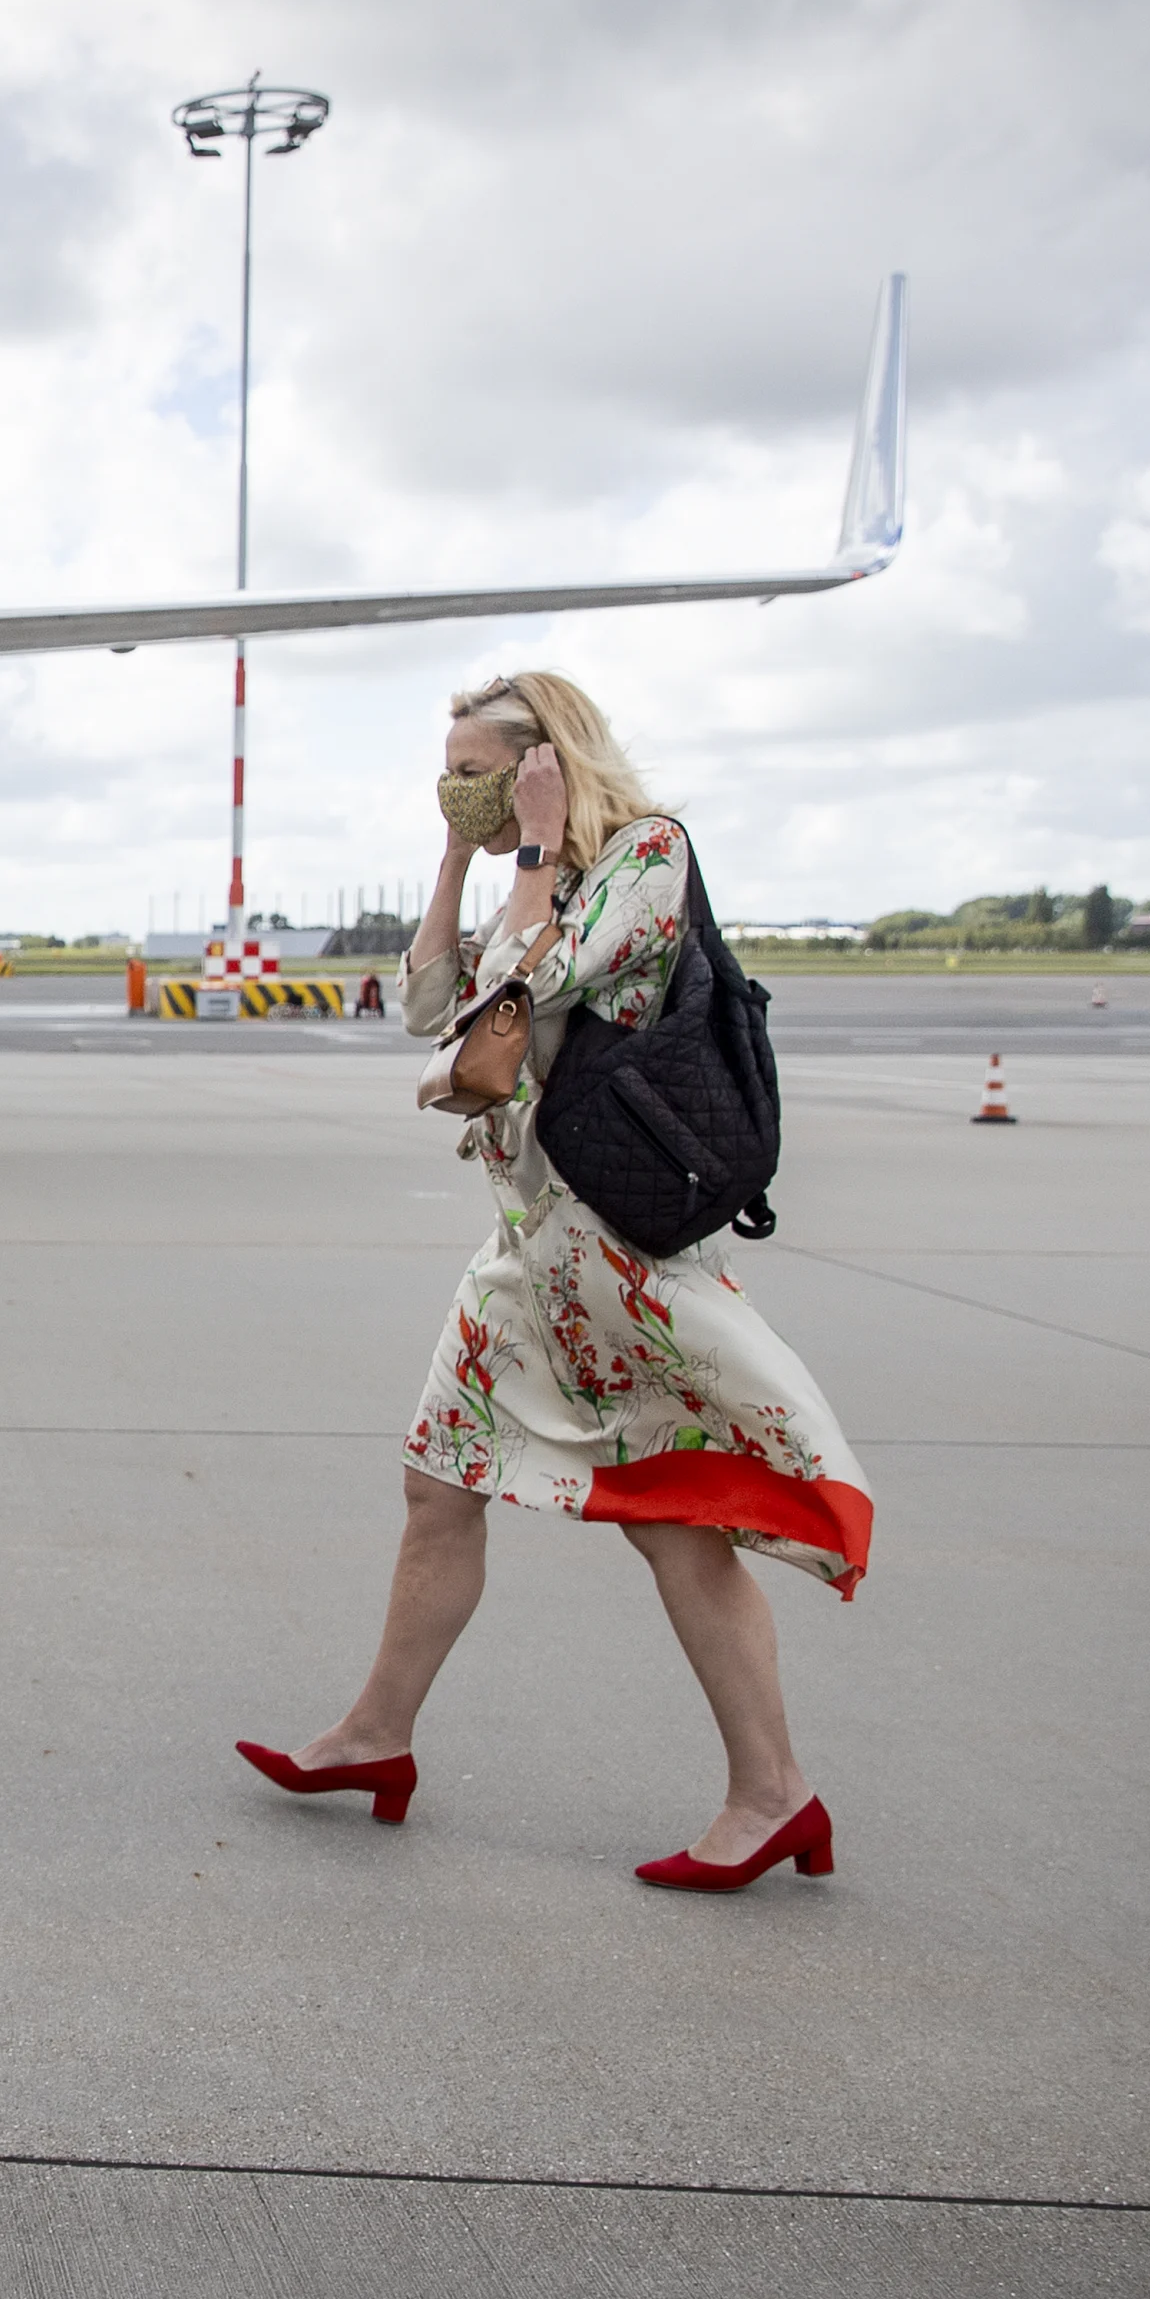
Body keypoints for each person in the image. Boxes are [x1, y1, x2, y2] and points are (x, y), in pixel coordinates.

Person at [237, 671, 874, 1890]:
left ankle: (773, 1793)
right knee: (438, 1484)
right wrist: (454, 859)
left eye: (475, 770)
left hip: (614, 1255)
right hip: (525, 1253)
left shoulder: (644, 858)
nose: (456, 789)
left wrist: (528, 850)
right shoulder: (527, 873)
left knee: (676, 1526)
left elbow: (523, 988)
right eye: (447, 773)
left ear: (549, 763)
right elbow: (428, 1006)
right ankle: (375, 1737)